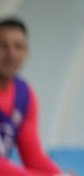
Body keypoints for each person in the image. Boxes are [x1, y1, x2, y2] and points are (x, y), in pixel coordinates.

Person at [0, 18, 64, 176]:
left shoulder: (25, 95)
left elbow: (33, 157)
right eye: (2, 46)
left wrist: (61, 175)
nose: (11, 54)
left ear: (26, 52)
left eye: (18, 46)